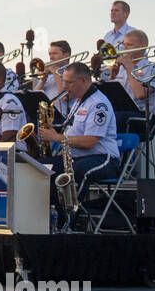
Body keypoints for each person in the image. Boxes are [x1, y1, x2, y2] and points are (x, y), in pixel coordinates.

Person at [38, 61, 120, 225]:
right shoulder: (78, 101)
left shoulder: (98, 104)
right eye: (64, 81)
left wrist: (56, 138)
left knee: (77, 172)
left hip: (103, 158)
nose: (64, 85)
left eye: (69, 82)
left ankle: (69, 219)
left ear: (83, 80)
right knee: (40, 167)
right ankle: (46, 218)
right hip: (78, 157)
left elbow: (90, 142)